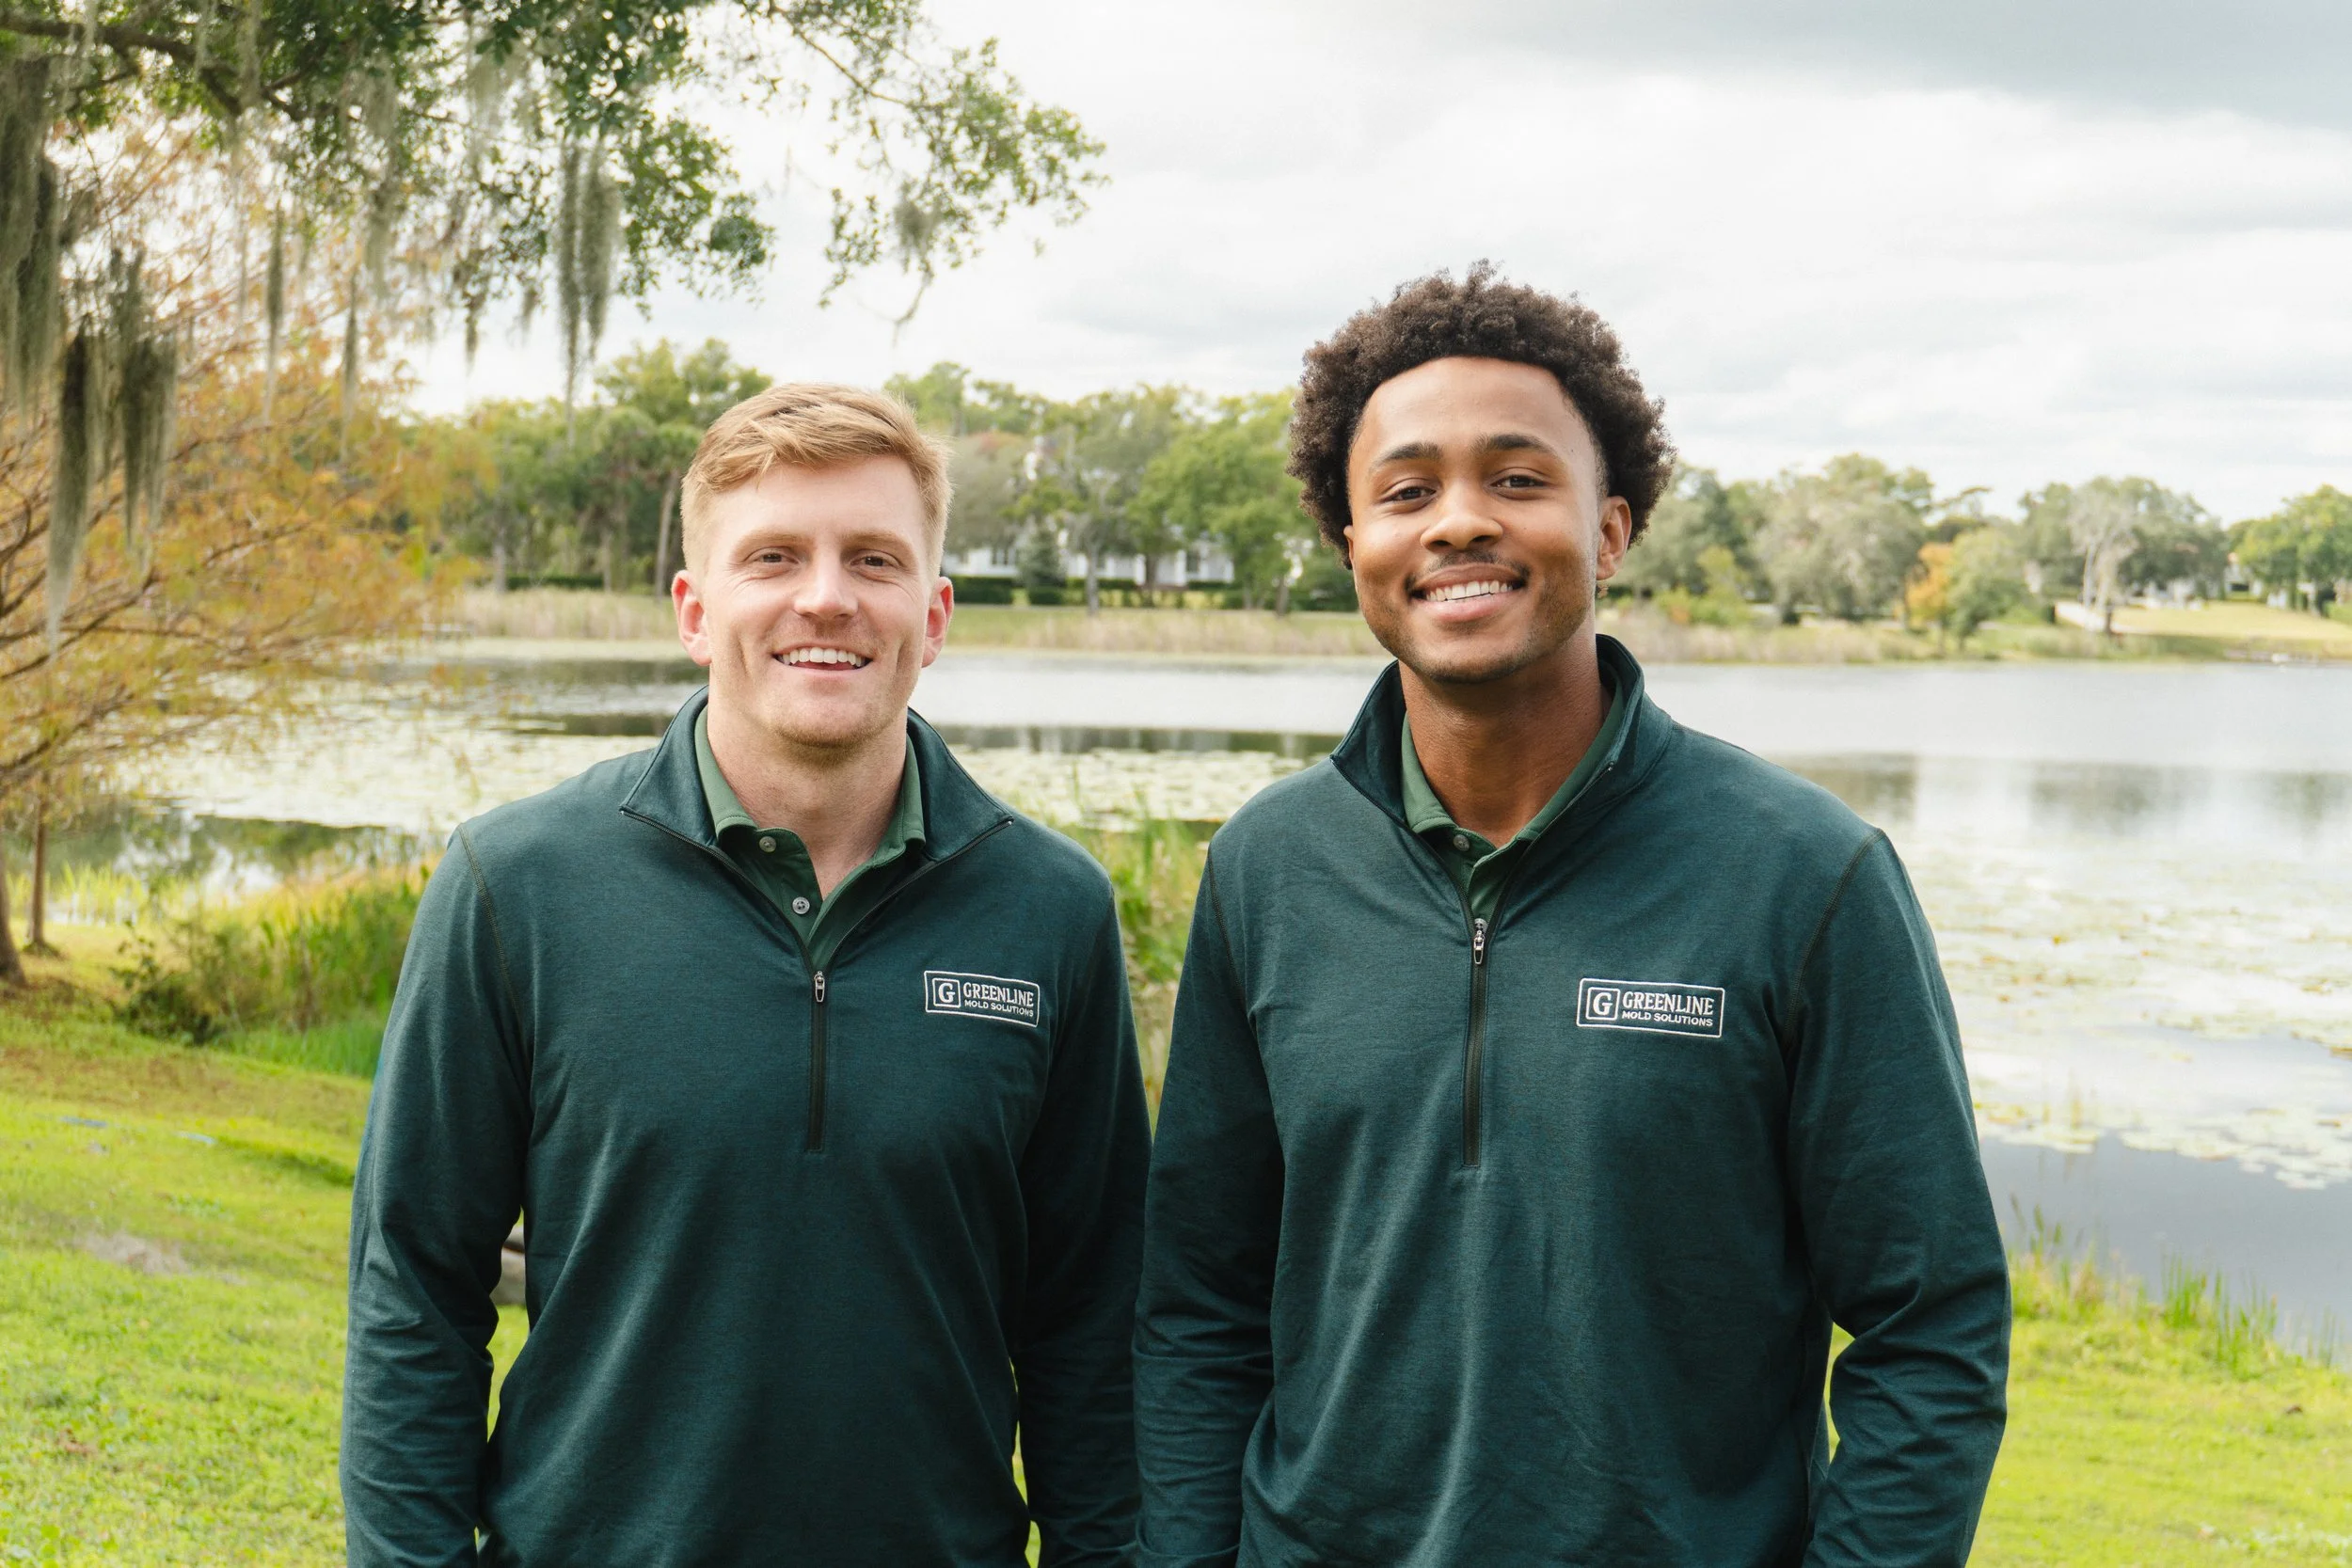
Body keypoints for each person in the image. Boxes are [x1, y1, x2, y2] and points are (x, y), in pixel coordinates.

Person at [1134, 265, 2009, 1567]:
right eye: (1408, 488)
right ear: (1352, 547)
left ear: (1609, 530)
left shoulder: (1805, 874)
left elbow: (1929, 1327)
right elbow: (1200, 1306)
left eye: (1519, 477)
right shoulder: (1268, 865)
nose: (1460, 522)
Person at [343, 384, 1151, 1566]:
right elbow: (413, 1283)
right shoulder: (514, 883)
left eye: (872, 558)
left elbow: (1091, 1324)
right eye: (773, 555)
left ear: (933, 613)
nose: (825, 595)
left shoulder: (1051, 908)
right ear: (693, 606)